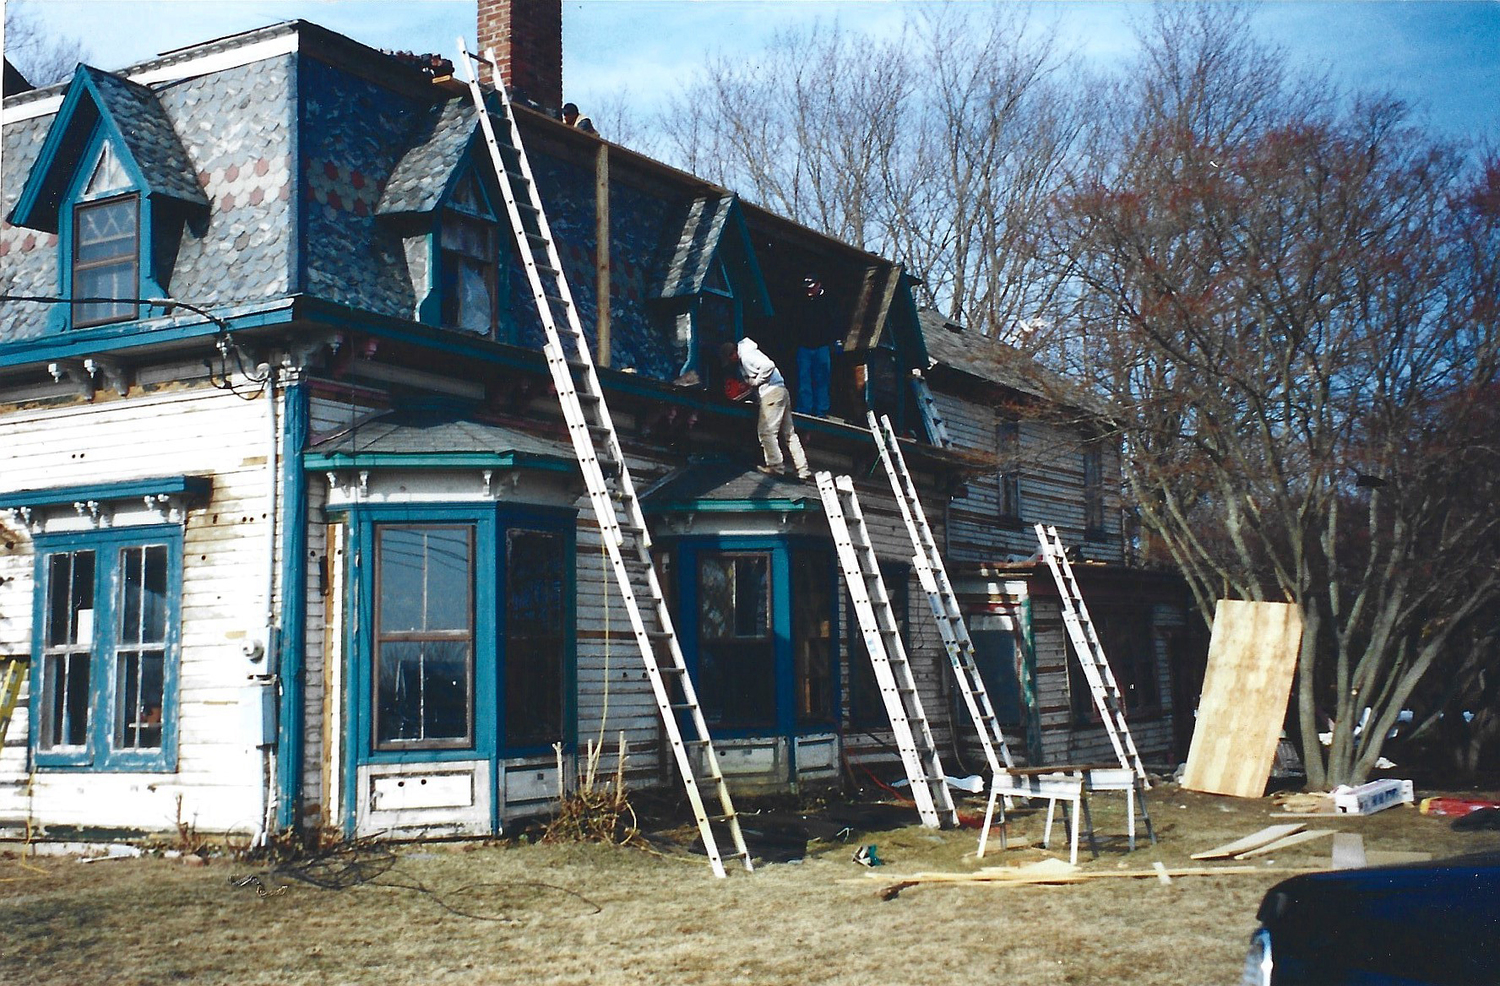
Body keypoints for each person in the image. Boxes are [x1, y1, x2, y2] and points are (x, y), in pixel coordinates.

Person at [721, 338, 812, 480]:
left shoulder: (746, 357)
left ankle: (775, 466)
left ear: (733, 353)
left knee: (766, 432)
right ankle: (803, 469)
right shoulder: (752, 353)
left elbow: (769, 366)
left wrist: (756, 381)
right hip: (782, 390)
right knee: (789, 434)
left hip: (771, 393)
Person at [794, 274, 838, 416]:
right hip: (804, 347)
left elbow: (835, 323)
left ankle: (821, 411)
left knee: (822, 380)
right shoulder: (801, 301)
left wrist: (833, 340)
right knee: (804, 380)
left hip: (821, 347)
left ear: (819, 285)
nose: (809, 290)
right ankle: (805, 410)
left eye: (811, 287)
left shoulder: (828, 301)